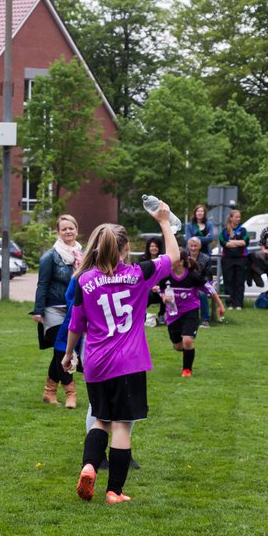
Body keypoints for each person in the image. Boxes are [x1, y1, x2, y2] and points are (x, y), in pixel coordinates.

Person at [63, 198, 178, 505]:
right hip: (129, 362)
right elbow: (174, 257)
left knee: (100, 418)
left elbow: (76, 324)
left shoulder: (85, 280)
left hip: (96, 362)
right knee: (122, 426)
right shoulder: (139, 273)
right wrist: (164, 221)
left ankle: (89, 465)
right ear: (125, 248)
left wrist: (67, 355)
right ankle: (114, 491)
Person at [32, 215, 82, 407]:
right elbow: (42, 284)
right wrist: (39, 311)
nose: (68, 231)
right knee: (62, 350)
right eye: (64, 229)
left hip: (74, 310)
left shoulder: (82, 255)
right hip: (53, 309)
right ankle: (71, 393)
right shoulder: (50, 257)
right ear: (58, 232)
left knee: (60, 351)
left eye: (71, 228)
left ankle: (49, 391)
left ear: (76, 230)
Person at [160, 249, 222, 377]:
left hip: (190, 311)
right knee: (178, 346)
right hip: (173, 314)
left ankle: (187, 370)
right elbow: (161, 290)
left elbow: (210, 289)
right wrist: (164, 297)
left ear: (181, 262)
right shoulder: (166, 276)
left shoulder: (193, 276)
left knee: (188, 340)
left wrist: (220, 306)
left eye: (173, 259)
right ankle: (187, 351)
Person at [219, 208, 248, 310]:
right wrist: (237, 243)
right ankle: (230, 304)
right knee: (228, 281)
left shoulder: (243, 230)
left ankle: (239, 303)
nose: (238, 219)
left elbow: (245, 242)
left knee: (239, 281)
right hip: (227, 259)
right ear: (231, 218)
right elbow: (224, 243)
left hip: (241, 258)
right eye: (236, 217)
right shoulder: (224, 231)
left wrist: (232, 242)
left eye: (239, 217)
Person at [187, 236, 215, 326]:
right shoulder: (184, 258)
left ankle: (205, 319)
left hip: (201, 284)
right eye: (191, 246)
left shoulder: (206, 258)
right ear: (188, 246)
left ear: (199, 247)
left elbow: (208, 276)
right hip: (186, 284)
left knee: (202, 294)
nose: (193, 248)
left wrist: (198, 283)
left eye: (195, 246)